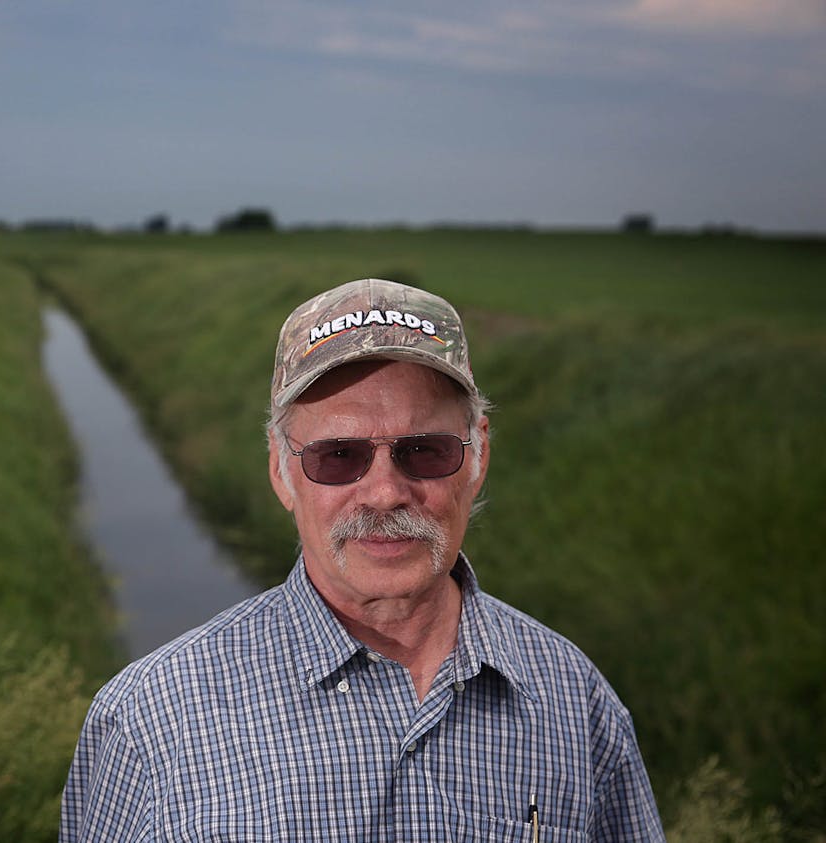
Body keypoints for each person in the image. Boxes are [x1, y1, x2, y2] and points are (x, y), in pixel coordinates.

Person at [60, 278, 665, 840]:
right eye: (339, 456)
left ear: (479, 454)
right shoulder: (147, 720)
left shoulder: (575, 701)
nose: (384, 492)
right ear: (281, 471)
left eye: (424, 451)